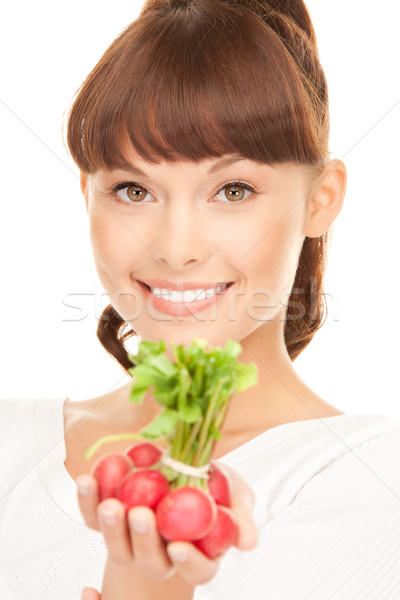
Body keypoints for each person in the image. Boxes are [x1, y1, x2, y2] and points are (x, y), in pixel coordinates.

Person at [1, 0, 400, 598]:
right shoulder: (12, 440)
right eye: (133, 189)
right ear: (88, 195)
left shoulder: (361, 477)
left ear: (321, 198)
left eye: (233, 189)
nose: (176, 248)